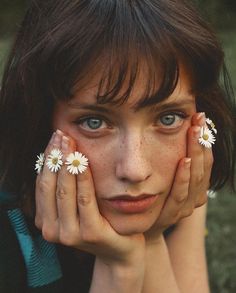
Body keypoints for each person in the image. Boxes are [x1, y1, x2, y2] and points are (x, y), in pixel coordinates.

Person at [0, 0, 235, 292]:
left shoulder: (176, 183)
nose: (136, 171)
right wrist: (121, 267)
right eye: (94, 122)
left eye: (168, 117)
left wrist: (148, 242)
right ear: (39, 118)